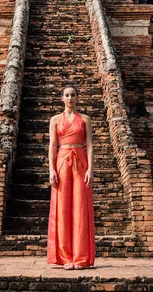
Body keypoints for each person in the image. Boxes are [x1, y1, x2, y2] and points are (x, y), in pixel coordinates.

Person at [47, 83, 95, 269]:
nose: (69, 98)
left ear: (77, 97)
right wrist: (51, 169)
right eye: (66, 95)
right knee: (62, 206)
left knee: (81, 206)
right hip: (61, 161)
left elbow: (89, 144)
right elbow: (52, 145)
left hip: (81, 161)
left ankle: (81, 258)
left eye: (72, 95)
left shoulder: (85, 119)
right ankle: (65, 257)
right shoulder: (55, 120)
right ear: (62, 98)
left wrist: (91, 168)